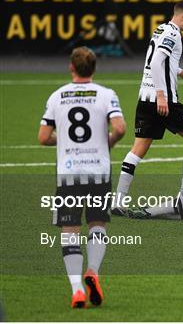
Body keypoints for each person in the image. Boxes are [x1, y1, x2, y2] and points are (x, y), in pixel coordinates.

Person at [38, 47, 126, 308]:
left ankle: (77, 289)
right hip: (98, 170)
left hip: (69, 173)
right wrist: (108, 141)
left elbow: (43, 137)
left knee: (70, 230)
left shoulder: (57, 96)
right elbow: (120, 127)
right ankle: (93, 271)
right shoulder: (106, 94)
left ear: (71, 68)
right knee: (97, 223)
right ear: (94, 69)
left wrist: (61, 140)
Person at [113, 0, 183, 215]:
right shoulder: (173, 34)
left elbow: (160, 59)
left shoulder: (161, 29)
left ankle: (118, 201)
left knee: (138, 149)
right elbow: (155, 62)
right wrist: (162, 96)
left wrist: (181, 72)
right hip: (163, 101)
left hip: (144, 99)